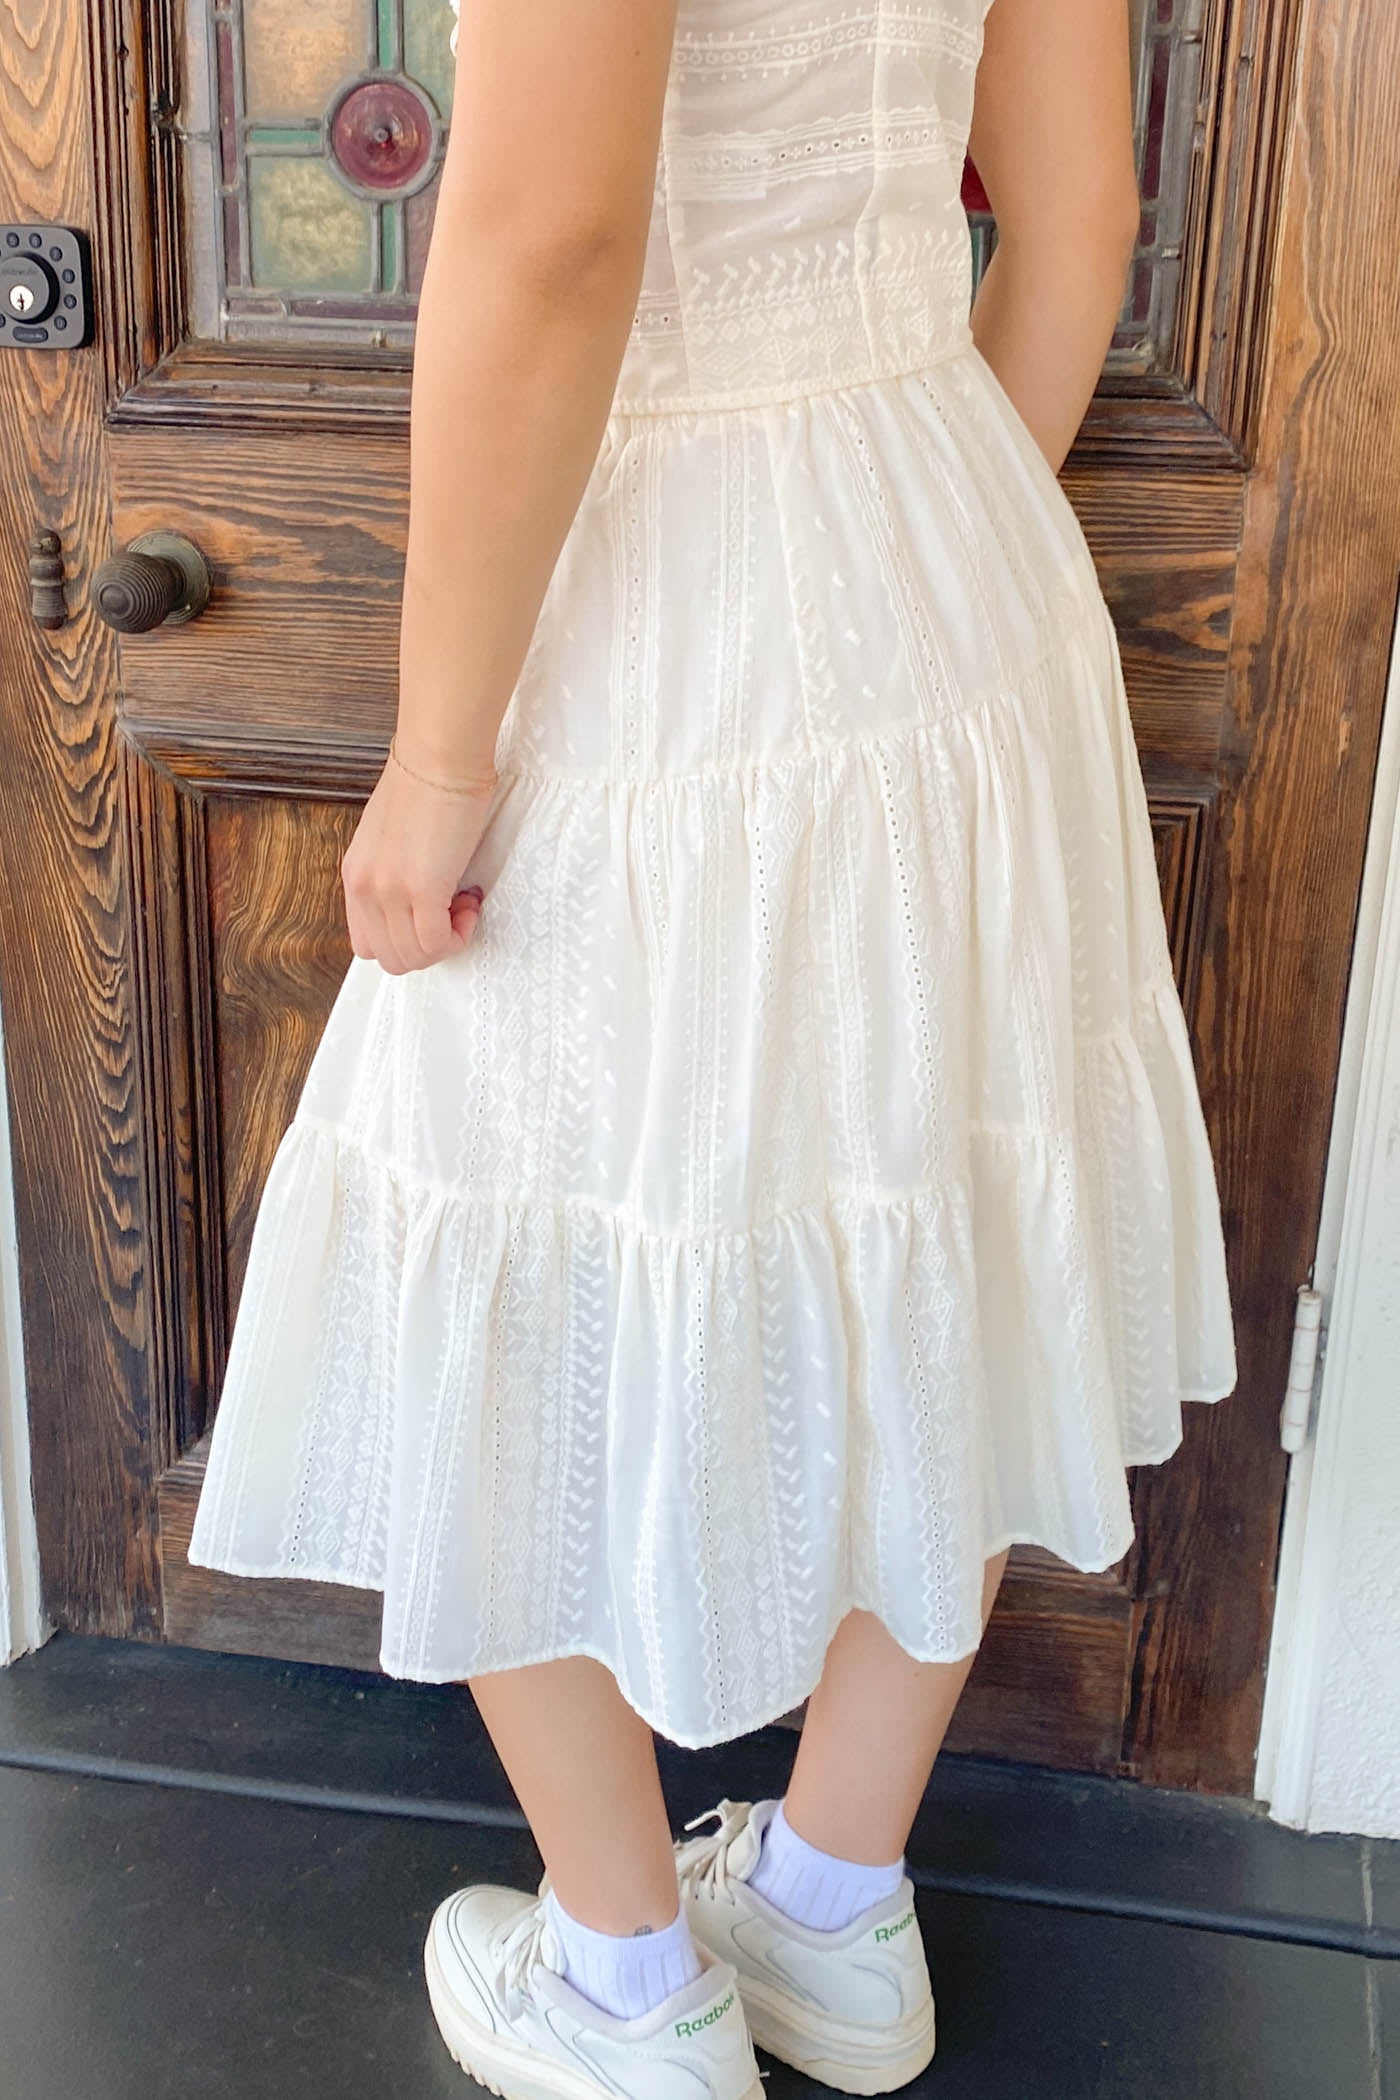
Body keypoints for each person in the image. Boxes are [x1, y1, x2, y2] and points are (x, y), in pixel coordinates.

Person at [187, 0, 1238, 2093]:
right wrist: (906, 558)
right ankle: (838, 1914)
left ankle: (623, 1976)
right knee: (945, 1230)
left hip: (670, 580)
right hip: (948, 552)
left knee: (490, 1236)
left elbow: (553, 240)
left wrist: (438, 754)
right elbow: (1080, 213)